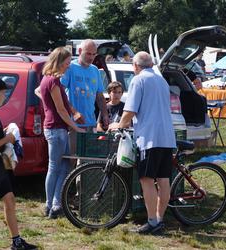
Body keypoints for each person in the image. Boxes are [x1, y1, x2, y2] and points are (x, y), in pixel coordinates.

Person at [109, 51, 176, 234]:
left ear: (135, 66)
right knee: (163, 180)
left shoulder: (138, 80)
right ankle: (160, 220)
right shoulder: (162, 81)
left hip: (149, 137)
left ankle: (152, 221)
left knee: (146, 179)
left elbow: (129, 110)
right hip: (167, 137)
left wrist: (118, 125)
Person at [36, 47, 85, 219]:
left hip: (56, 129)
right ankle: (50, 205)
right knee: (55, 167)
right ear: (58, 62)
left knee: (63, 167)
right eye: (66, 63)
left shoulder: (47, 79)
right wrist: (76, 127)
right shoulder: (53, 82)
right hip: (56, 129)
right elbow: (61, 110)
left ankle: (56, 204)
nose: (68, 66)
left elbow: (61, 106)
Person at [0, 77, 37, 250]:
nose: (5, 96)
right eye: (3, 93)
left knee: (9, 200)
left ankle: (16, 242)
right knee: (9, 200)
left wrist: (5, 134)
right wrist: (8, 138)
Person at [60, 39, 109, 158]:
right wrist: (74, 112)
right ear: (80, 51)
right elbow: (60, 93)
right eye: (88, 53)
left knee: (87, 160)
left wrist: (105, 114)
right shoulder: (70, 68)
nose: (91, 57)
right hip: (73, 123)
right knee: (72, 160)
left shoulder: (95, 70)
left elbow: (99, 95)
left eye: (94, 54)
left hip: (90, 123)